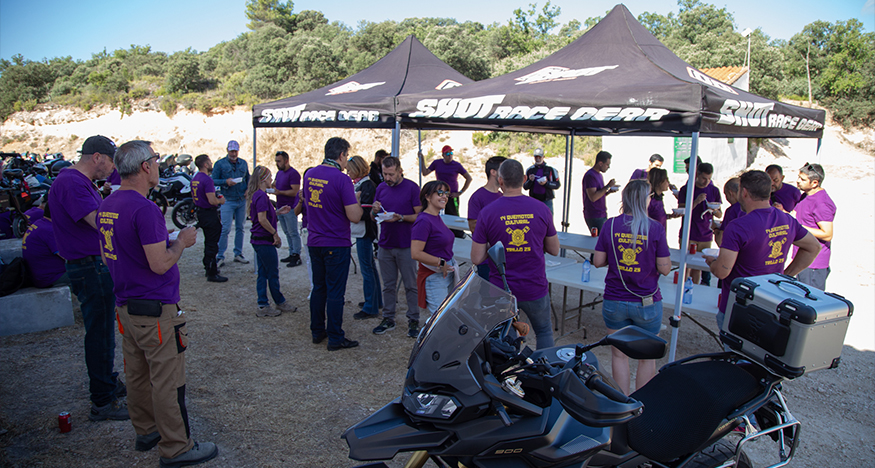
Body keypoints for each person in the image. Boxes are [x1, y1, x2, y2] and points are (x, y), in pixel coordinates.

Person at [98, 140, 218, 467]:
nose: (158, 163)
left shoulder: (109, 204)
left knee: (136, 374)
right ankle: (176, 447)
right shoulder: (143, 208)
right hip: (154, 309)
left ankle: (147, 430)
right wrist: (180, 242)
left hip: (126, 305)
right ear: (145, 167)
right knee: (167, 380)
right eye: (154, 158)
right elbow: (160, 263)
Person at [48, 135, 128, 421]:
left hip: (92, 264)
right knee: (100, 332)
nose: (111, 170)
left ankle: (108, 382)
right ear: (97, 157)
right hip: (89, 266)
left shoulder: (77, 182)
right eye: (110, 162)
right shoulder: (71, 183)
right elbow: (99, 221)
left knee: (104, 329)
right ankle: (103, 401)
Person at [704, 170, 820, 329]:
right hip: (770, 304)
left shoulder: (738, 226)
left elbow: (722, 271)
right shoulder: (786, 219)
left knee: (734, 352)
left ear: (743, 192)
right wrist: (786, 276)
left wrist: (713, 263)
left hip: (739, 305)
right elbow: (813, 247)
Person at [593, 179, 671, 395]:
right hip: (646, 301)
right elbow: (664, 268)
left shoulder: (610, 225)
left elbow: (598, 261)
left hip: (615, 299)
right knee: (647, 358)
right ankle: (641, 406)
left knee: (619, 355)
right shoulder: (655, 228)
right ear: (643, 200)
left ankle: (622, 402)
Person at [471, 159, 559, 349]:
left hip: (501, 289)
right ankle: (545, 374)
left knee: (505, 336)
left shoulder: (487, 213)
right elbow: (554, 249)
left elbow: (477, 258)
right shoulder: (541, 209)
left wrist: (497, 246)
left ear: (500, 180)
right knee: (543, 331)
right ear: (525, 179)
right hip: (534, 286)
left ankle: (507, 376)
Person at [304, 137, 362, 351]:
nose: (347, 161)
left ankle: (317, 331)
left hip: (315, 240)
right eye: (347, 156)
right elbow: (355, 216)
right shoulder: (342, 179)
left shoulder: (309, 174)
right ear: (341, 155)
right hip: (336, 242)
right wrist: (358, 202)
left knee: (319, 288)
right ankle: (336, 337)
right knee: (336, 292)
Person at [372, 156, 422, 337]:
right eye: (384, 174)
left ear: (400, 170)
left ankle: (414, 320)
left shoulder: (411, 188)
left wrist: (401, 217)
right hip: (385, 243)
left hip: (406, 244)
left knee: (411, 285)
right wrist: (374, 210)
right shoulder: (381, 188)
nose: (387, 178)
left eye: (391, 174)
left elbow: (420, 216)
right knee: (388, 285)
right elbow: (372, 216)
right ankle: (388, 318)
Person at [246, 165, 297, 317]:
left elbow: (261, 215)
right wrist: (275, 233)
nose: (272, 181)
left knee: (263, 272)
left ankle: (263, 304)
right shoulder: (261, 196)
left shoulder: (256, 195)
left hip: (258, 240)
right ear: (263, 179)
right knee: (272, 272)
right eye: (269, 177)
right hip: (263, 240)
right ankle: (279, 302)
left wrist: (276, 212)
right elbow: (262, 219)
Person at [411, 181, 457, 318]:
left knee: (444, 318)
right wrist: (441, 262)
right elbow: (415, 252)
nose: (444, 197)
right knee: (440, 321)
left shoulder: (435, 216)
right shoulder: (424, 221)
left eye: (446, 193)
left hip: (443, 275)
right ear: (427, 196)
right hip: (434, 277)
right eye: (440, 193)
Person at [346, 156, 383, 320]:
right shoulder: (361, 184)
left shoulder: (367, 185)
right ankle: (375, 301)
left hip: (365, 232)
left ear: (357, 169)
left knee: (367, 269)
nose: (347, 173)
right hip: (363, 231)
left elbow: (365, 213)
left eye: (349, 169)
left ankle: (370, 306)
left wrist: (351, 206)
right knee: (370, 268)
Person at [793, 163, 836, 290]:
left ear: (815, 183)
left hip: (814, 264)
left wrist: (799, 227)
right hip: (802, 257)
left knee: (809, 301)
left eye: (802, 179)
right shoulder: (806, 195)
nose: (798, 181)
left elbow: (827, 234)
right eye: (798, 177)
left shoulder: (822, 203)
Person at [678, 162, 721, 284]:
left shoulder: (714, 190)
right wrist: (696, 202)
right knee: (685, 266)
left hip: (705, 235)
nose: (706, 181)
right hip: (688, 233)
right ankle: (682, 290)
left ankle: (693, 289)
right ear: (697, 174)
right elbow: (682, 211)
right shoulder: (686, 189)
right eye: (703, 178)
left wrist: (714, 210)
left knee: (698, 267)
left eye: (709, 178)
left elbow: (719, 214)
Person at [419, 145, 472, 238]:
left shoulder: (456, 165)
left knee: (453, 216)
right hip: (438, 194)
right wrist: (422, 159)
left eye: (451, 153)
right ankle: (439, 232)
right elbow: (425, 173)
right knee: (437, 214)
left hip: (452, 195)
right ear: (443, 155)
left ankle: (458, 235)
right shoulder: (437, 163)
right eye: (447, 153)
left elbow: (469, 178)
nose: (450, 155)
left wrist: (460, 192)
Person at [212, 140, 250, 267]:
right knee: (225, 228)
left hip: (241, 199)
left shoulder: (243, 163)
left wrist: (248, 190)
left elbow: (248, 179)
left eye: (235, 151)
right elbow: (213, 180)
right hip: (227, 199)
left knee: (240, 227)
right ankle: (220, 255)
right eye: (231, 151)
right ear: (227, 150)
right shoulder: (220, 164)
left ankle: (238, 254)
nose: (233, 153)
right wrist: (225, 181)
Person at [467, 156, 506, 279]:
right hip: (486, 259)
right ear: (493, 172)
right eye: (503, 169)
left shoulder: (504, 196)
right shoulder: (477, 197)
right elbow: (473, 226)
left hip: (503, 257)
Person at [191, 154, 226, 283]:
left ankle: (208, 267)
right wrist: (221, 201)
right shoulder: (207, 180)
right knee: (212, 243)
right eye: (210, 162)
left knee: (208, 241)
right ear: (205, 164)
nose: (211, 164)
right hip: (209, 213)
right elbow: (212, 200)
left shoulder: (195, 178)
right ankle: (212, 271)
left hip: (200, 212)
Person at [22, 198, 69, 288]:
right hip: (51, 277)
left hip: (41, 276)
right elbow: (68, 257)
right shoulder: (50, 231)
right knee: (94, 273)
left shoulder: (41, 223)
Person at [274, 151, 302, 267]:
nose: (277, 164)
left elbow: (295, 191)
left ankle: (296, 255)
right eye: (276, 161)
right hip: (280, 206)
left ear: (286, 161)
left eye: (279, 161)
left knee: (293, 232)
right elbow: (275, 183)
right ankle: (292, 253)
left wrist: (280, 192)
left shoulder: (293, 174)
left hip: (290, 207)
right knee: (286, 232)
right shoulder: (279, 173)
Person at [583, 151, 618, 235]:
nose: (608, 167)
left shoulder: (599, 175)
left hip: (601, 213)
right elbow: (593, 197)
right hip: (594, 214)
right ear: (600, 163)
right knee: (599, 240)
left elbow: (599, 194)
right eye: (607, 164)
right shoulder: (590, 176)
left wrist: (608, 191)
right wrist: (607, 186)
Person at [523, 148, 561, 213]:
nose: (538, 159)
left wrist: (546, 183)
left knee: (548, 219)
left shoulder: (551, 169)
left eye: (539, 157)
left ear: (543, 157)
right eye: (536, 157)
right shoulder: (530, 170)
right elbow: (525, 187)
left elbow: (557, 185)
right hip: (534, 199)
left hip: (547, 200)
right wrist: (530, 180)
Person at [714, 177, 744, 246]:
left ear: (731, 193)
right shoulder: (752, 207)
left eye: (726, 194)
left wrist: (715, 229)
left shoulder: (731, 211)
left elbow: (720, 241)